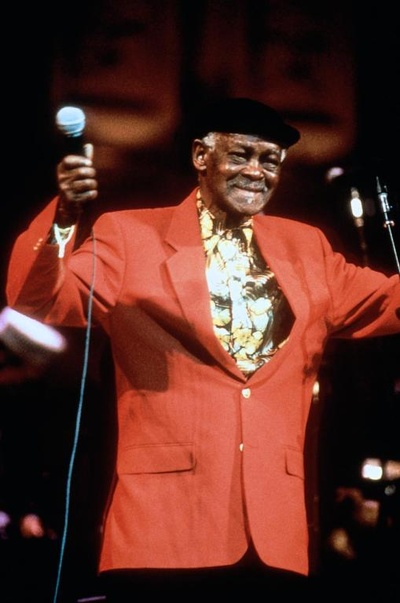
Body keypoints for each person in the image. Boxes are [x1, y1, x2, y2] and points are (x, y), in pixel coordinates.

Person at [5, 97, 400, 600]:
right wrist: (64, 217)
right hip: (163, 529)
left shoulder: (307, 248)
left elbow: (390, 302)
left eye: (270, 160)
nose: (256, 172)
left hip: (274, 536)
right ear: (200, 156)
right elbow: (36, 299)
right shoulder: (130, 235)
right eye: (241, 155)